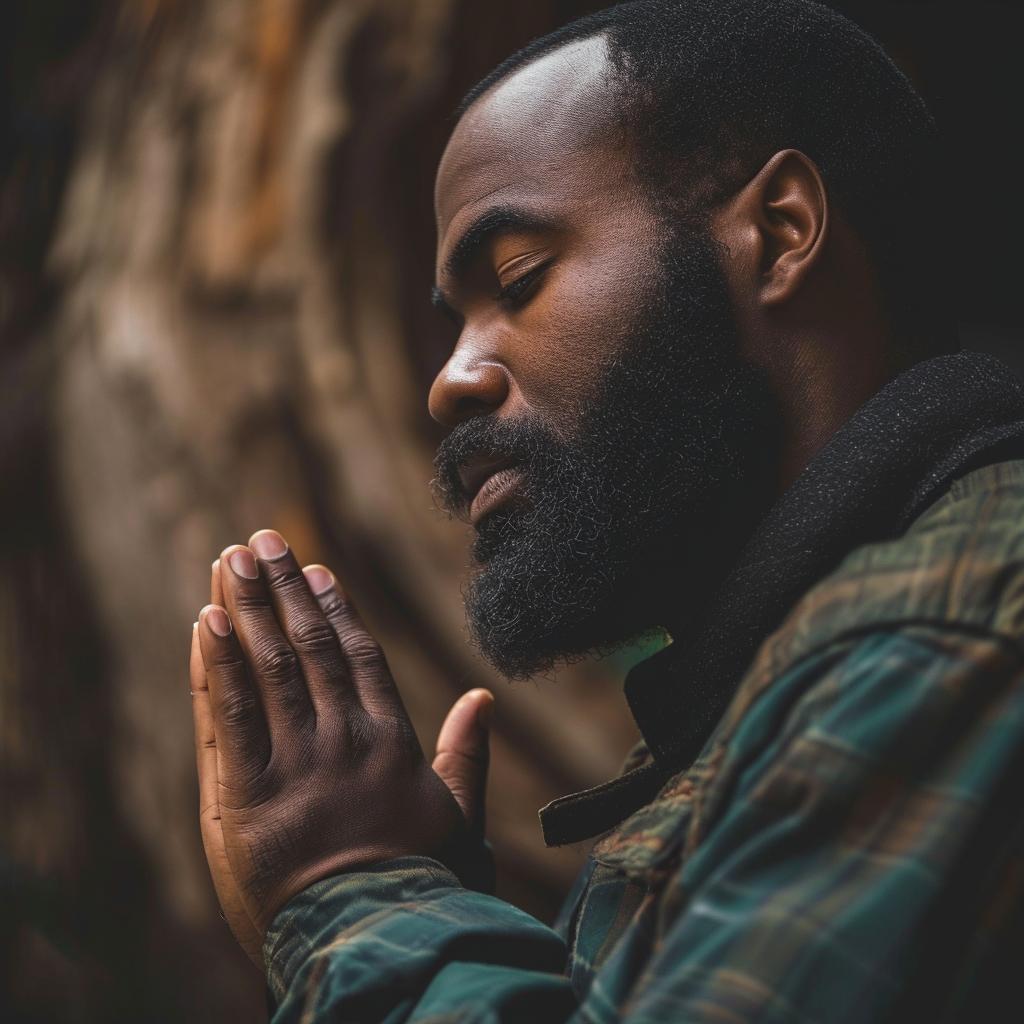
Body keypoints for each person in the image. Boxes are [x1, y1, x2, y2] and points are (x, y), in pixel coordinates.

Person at [187, 2, 1024, 1020]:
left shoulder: (941, 631)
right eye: (457, 322)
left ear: (780, 234)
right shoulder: (805, 676)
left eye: (518, 277)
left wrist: (357, 897)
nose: (447, 383)